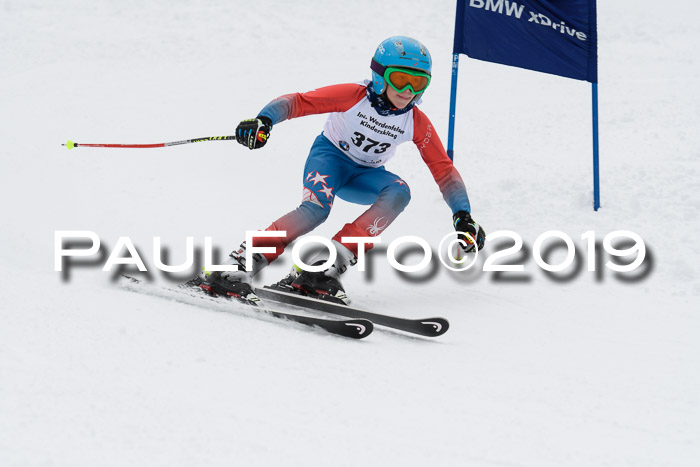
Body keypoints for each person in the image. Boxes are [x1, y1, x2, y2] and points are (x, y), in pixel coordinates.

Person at [198, 36, 486, 304]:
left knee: (399, 192)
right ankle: (238, 264)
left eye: (419, 83)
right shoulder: (354, 96)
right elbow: (299, 102)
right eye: (399, 80)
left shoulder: (415, 121)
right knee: (315, 210)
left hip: (364, 176)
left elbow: (443, 170)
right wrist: (264, 120)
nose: (408, 91)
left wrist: (463, 216)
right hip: (329, 160)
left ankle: (322, 270)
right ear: (379, 76)